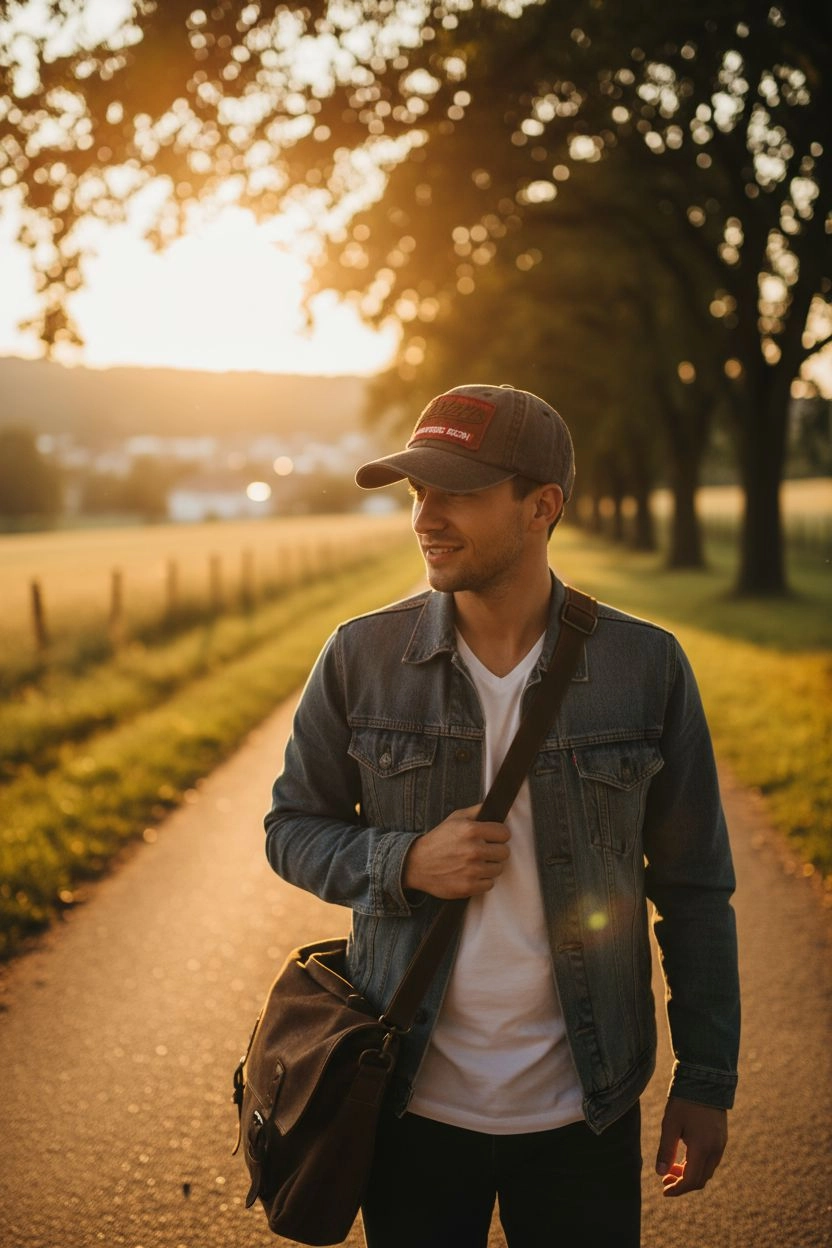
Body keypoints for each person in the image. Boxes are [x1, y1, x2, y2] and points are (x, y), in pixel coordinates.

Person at [265, 383, 740, 1248]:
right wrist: (404, 861)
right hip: (407, 1106)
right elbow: (290, 828)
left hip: (584, 1112)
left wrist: (706, 1079)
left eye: (457, 491)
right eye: (418, 492)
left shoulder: (648, 668)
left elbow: (697, 889)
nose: (426, 517)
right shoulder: (360, 657)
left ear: (541, 507)